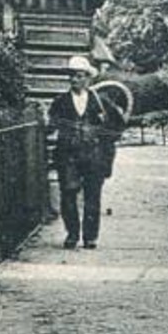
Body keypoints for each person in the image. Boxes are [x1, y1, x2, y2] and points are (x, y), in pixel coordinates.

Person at [48, 56, 124, 250]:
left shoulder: (101, 102)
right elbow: (51, 126)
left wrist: (102, 140)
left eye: (79, 76)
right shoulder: (60, 102)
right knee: (68, 194)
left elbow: (117, 126)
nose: (75, 80)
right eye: (72, 76)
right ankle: (72, 234)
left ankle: (90, 237)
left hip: (93, 157)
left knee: (92, 197)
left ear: (87, 78)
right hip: (68, 157)